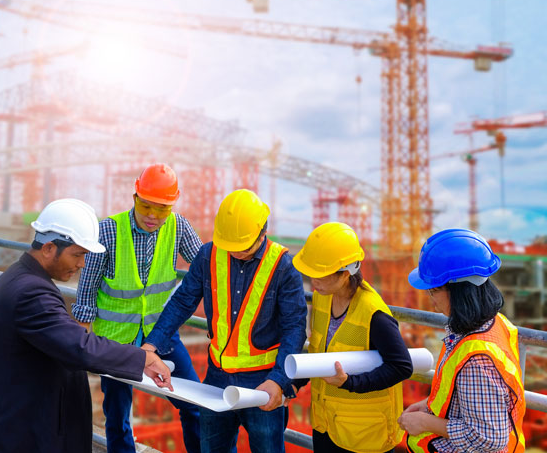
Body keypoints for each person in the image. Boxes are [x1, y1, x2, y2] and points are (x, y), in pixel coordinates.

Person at [0, 198, 172, 453]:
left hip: (20, 423)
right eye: (77, 254)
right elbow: (80, 346)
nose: (82, 264)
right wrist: (142, 359)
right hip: (19, 435)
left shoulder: (21, 277)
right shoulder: (31, 292)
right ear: (49, 248)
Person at [143, 188, 308, 453]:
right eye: (229, 247)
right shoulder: (209, 254)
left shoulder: (282, 266)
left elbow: (294, 329)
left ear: (261, 233)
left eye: (241, 248)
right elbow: (183, 301)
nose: (234, 253)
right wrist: (151, 345)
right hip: (217, 379)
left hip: (263, 383)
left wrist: (279, 381)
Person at [72, 163, 202, 453]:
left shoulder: (178, 227)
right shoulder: (108, 231)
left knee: (193, 404)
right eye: (146, 206)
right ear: (134, 196)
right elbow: (88, 286)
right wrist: (81, 334)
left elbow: (206, 265)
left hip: (161, 336)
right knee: (117, 414)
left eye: (162, 209)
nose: (153, 216)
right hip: (115, 339)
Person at [397, 228, 526, 453]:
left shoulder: (478, 361)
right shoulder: (493, 323)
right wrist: (429, 407)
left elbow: (489, 439)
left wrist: (427, 423)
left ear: (459, 292)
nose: (431, 300)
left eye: (434, 291)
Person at [291, 222, 413, 453]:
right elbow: (319, 351)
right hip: (326, 425)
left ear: (345, 274)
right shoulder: (322, 298)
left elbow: (401, 366)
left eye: (319, 275)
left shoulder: (373, 313)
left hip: (363, 435)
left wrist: (349, 383)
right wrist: (295, 384)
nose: (312, 282)